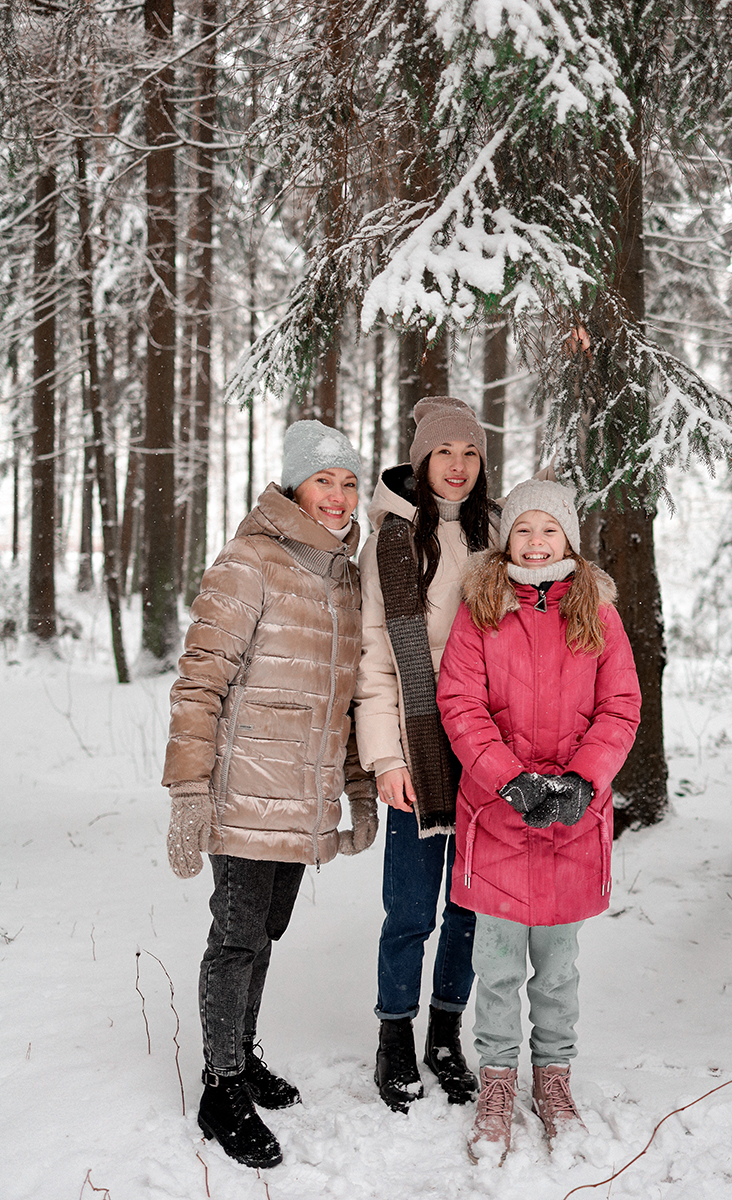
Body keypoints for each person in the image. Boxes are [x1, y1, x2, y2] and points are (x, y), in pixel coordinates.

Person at [162, 420, 378, 1171]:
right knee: (236, 937)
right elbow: (199, 682)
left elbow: (346, 701)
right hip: (246, 793)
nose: (341, 496)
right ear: (295, 486)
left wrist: (359, 794)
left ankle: (241, 1054)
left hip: (304, 798)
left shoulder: (346, 578)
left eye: (351, 483)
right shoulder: (249, 561)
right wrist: (189, 791)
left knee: (266, 934)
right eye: (327, 481)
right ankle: (219, 1089)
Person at [436, 479, 641, 1164]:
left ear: (568, 539)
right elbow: (460, 703)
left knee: (556, 970)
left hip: (572, 819)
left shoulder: (598, 612)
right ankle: (497, 1081)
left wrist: (583, 781)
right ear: (505, 539)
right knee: (495, 967)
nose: (534, 541)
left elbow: (621, 707)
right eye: (522, 529)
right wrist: (509, 780)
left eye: (547, 530)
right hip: (498, 812)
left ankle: (553, 1080)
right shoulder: (482, 607)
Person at [354, 396, 501, 1112]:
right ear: (421, 460)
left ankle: (447, 1031)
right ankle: (393, 1036)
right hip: (417, 742)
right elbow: (375, 661)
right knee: (410, 908)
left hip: (488, 745)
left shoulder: (499, 535)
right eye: (445, 452)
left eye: (470, 453)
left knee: (470, 903)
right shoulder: (388, 540)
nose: (458, 466)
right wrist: (386, 758)